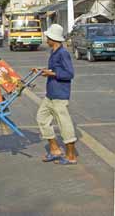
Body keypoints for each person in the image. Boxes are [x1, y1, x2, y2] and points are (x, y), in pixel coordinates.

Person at [35, 23, 77, 165]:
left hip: (60, 95)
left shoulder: (63, 53)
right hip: (50, 93)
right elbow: (54, 70)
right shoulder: (53, 52)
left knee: (64, 125)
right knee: (41, 118)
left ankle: (71, 156)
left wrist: (51, 73)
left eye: (48, 37)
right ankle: (55, 149)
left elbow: (69, 73)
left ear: (53, 38)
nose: (46, 39)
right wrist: (43, 71)